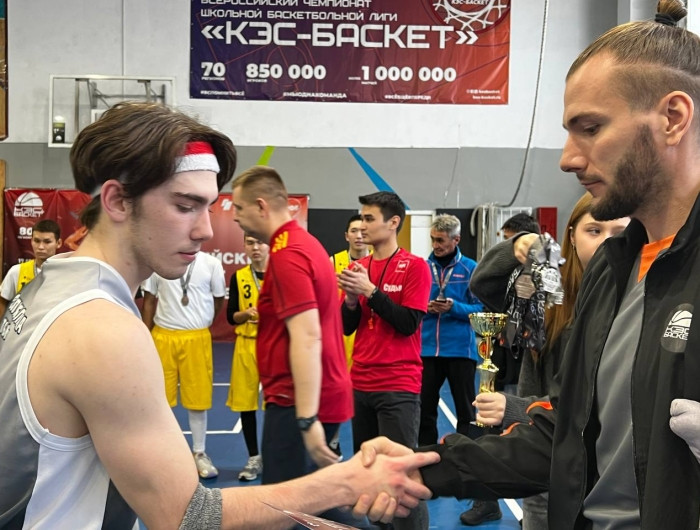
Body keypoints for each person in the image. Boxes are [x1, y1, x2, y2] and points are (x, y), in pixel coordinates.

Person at [0, 101, 440, 529]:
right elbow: (187, 518)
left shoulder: (51, 281)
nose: (206, 230)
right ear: (117, 201)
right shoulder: (101, 329)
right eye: (184, 206)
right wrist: (348, 481)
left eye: (208, 208)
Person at [368, 2, 700, 528]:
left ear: (673, 118)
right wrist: (424, 468)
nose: (568, 158)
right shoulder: (612, 269)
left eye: (590, 127)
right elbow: (565, 437)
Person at [468, 192, 629, 529]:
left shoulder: (640, 301)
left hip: (616, 476)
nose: (605, 242)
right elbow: (485, 284)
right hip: (549, 466)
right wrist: (517, 246)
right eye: (594, 230)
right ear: (571, 236)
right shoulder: (549, 297)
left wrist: (516, 407)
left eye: (619, 232)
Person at [231, 166, 374, 529]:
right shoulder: (303, 244)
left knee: (283, 511)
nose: (235, 217)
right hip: (308, 396)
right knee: (314, 505)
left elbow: (307, 336)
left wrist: (307, 420)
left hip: (298, 401)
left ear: (261, 206)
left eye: (239, 208)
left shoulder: (288, 254)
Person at [338, 191, 432, 530]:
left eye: (369, 219)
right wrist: (351, 301)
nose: (362, 226)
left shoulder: (416, 267)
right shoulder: (359, 268)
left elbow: (408, 324)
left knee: (400, 476)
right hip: (361, 383)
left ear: (393, 223)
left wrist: (370, 292)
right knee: (369, 475)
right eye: (360, 218)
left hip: (398, 386)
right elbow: (347, 327)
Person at [141, 247, 226, 479]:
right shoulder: (159, 259)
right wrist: (145, 336)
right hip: (163, 336)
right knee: (159, 401)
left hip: (196, 338)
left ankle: (199, 453)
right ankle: (162, 455)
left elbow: (218, 300)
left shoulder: (211, 264)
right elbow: (149, 301)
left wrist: (202, 321)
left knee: (197, 400)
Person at [418, 213, 483, 446]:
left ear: (456, 240)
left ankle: (465, 454)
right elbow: (411, 305)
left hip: (460, 351)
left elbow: (480, 309)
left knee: (466, 411)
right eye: (433, 239)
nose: (435, 245)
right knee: (424, 410)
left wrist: (453, 308)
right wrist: (425, 307)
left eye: (441, 240)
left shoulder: (471, 269)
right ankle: (425, 454)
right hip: (427, 350)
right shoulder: (423, 268)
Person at [226, 233, 269, 481]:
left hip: (273, 345)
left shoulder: (281, 275)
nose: (255, 247)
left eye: (260, 242)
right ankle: (254, 457)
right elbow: (231, 316)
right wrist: (246, 314)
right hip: (246, 344)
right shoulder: (239, 276)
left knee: (276, 404)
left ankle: (275, 455)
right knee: (246, 403)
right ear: (244, 246)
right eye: (250, 242)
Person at [331, 213, 371, 369]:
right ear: (347, 236)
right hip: (340, 331)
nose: (359, 236)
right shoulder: (333, 262)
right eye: (354, 231)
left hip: (367, 330)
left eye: (362, 231)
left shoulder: (378, 262)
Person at [0, 218, 62, 315]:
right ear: (31, 241)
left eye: (47, 242)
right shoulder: (16, 272)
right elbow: (3, 303)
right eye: (36, 241)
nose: (41, 247)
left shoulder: (65, 273)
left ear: (58, 243)